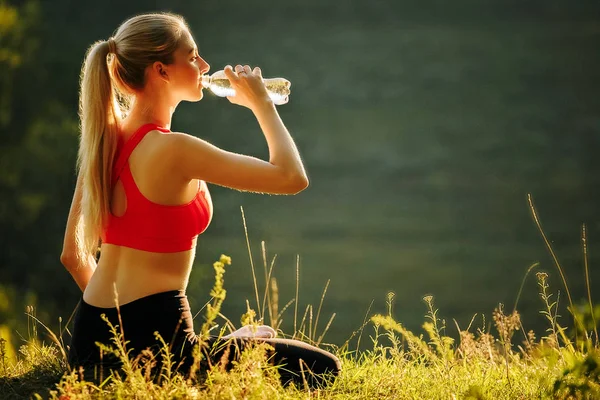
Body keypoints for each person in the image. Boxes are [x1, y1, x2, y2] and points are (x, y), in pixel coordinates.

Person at [60, 12, 340, 387]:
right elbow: (292, 178)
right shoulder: (174, 150)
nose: (205, 66)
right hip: (162, 345)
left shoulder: (102, 142)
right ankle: (215, 351)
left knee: (259, 336)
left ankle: (220, 348)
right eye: (192, 57)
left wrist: (117, 331)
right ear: (161, 71)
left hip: (87, 343)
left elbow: (72, 256)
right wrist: (262, 104)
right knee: (323, 369)